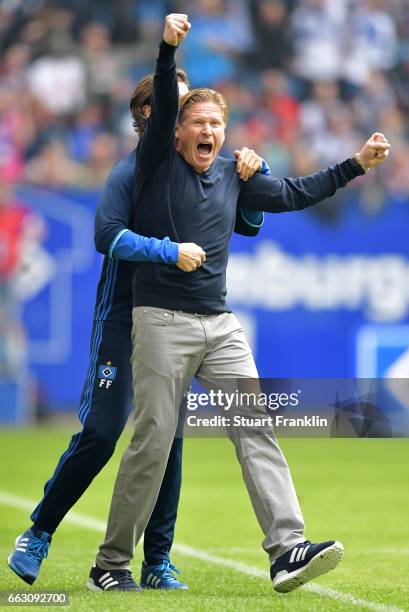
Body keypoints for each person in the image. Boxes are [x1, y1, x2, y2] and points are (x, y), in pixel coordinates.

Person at [90, 14, 391, 595]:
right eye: (196, 121)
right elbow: (153, 132)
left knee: (255, 428)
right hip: (161, 323)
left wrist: (356, 164)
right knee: (152, 440)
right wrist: (166, 49)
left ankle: (287, 549)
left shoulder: (235, 172)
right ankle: (111, 564)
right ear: (174, 131)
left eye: (216, 123)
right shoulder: (152, 164)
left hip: (219, 325)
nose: (207, 131)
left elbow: (296, 194)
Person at [7, 66, 268, 590]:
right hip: (124, 318)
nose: (186, 116)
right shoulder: (130, 172)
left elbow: (247, 220)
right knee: (103, 432)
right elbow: (107, 236)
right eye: (175, 105)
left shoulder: (199, 173)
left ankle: (156, 561)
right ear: (150, 115)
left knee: (167, 438)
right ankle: (39, 530)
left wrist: (249, 175)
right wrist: (169, 254)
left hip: (174, 321)